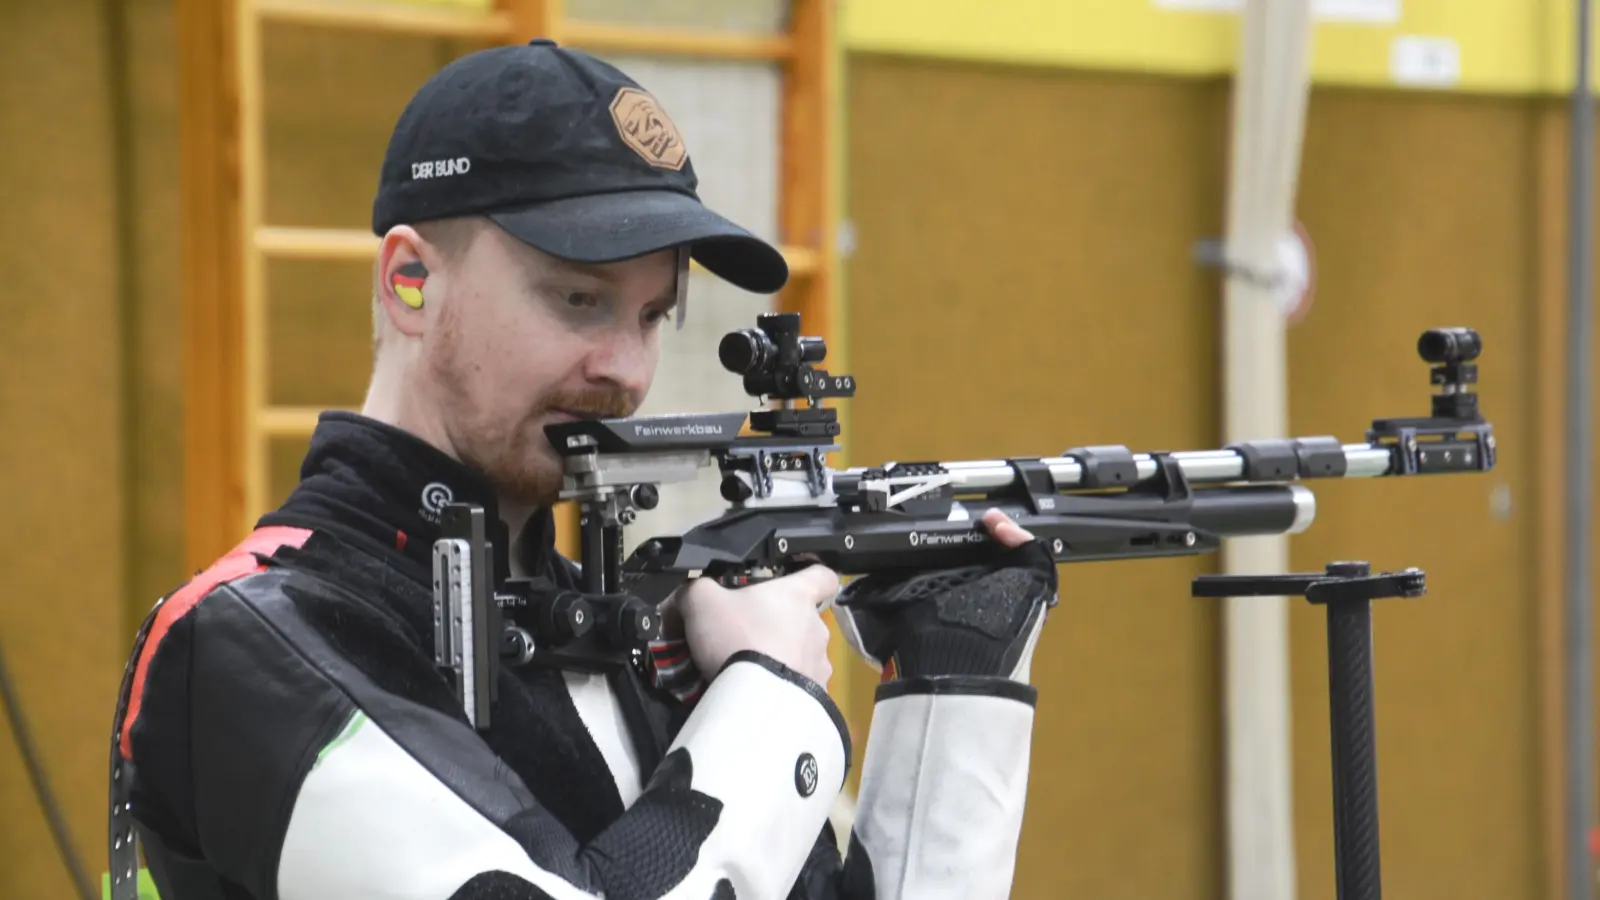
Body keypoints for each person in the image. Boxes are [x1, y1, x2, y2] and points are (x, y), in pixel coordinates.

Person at [109, 39, 1060, 900]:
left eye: (652, 316)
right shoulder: (248, 645)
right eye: (578, 298)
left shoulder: (617, 634)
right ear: (410, 282)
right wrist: (771, 692)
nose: (628, 369)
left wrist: (955, 690)